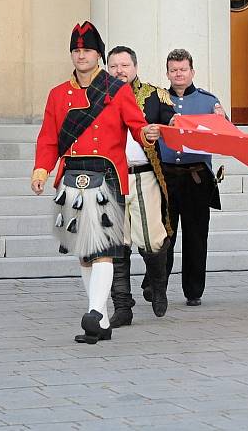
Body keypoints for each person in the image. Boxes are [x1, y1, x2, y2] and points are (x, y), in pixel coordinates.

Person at [31, 21, 160, 344]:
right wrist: (41, 170)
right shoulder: (58, 94)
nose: (81, 55)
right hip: (72, 174)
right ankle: (99, 319)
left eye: (86, 50)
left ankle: (95, 314)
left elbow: (137, 125)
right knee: (84, 251)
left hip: (107, 175)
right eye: (76, 51)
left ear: (98, 55)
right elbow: (48, 137)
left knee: (103, 249)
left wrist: (147, 134)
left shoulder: (117, 90)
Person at [106, 45, 176, 326]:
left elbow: (173, 122)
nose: (119, 71)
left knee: (152, 239)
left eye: (125, 65)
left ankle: (158, 286)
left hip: (145, 174)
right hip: (110, 176)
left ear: (135, 67)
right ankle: (122, 305)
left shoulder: (155, 95)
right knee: (116, 242)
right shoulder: (99, 97)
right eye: (114, 66)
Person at [154, 48, 226, 307]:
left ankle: (193, 290)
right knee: (163, 235)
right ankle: (157, 285)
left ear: (192, 71)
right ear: (167, 73)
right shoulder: (158, 100)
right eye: (174, 70)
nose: (178, 74)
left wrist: (221, 120)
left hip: (196, 177)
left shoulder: (208, 101)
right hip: (166, 178)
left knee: (196, 236)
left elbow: (225, 136)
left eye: (183, 69)